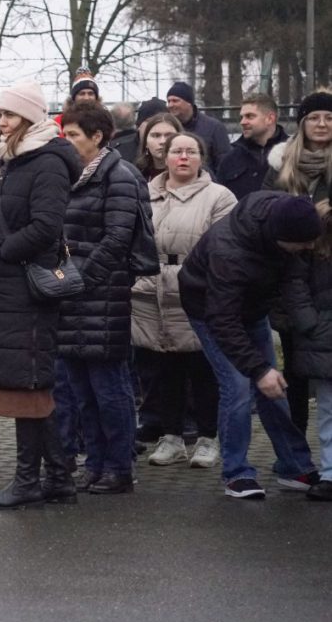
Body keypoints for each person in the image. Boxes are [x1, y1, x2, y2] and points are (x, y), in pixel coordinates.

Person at [0, 80, 81, 509]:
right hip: (8, 290)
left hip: (25, 289)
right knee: (23, 386)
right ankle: (56, 478)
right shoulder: (19, 159)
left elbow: (45, 227)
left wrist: (1, 255)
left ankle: (30, 480)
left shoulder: (46, 163)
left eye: (10, 115)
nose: (2, 122)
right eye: (0, 114)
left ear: (31, 118)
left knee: (30, 387)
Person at [178, 192, 321, 499]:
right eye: (302, 244)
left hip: (253, 307)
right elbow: (223, 320)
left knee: (275, 387)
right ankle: (236, 473)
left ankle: (294, 466)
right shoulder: (228, 252)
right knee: (238, 387)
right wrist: (258, 368)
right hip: (210, 311)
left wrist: (309, 328)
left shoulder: (285, 219)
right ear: (279, 239)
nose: (309, 248)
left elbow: (293, 276)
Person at [55, 101, 147, 495]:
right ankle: (94, 465)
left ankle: (119, 467)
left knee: (110, 389)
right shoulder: (69, 176)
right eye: (65, 134)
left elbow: (117, 239)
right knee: (81, 391)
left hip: (102, 297)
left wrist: (78, 279)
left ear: (98, 136)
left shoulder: (120, 176)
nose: (67, 141)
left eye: (74, 135)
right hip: (71, 298)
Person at [132, 132, 236, 469]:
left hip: (196, 288)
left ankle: (208, 437)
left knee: (202, 367)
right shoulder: (145, 193)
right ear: (165, 157)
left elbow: (223, 245)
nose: (184, 157)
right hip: (151, 290)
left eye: (191, 151)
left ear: (201, 158)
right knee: (164, 369)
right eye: (177, 151)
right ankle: (171, 436)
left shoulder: (219, 197)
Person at [264, 90, 332, 433]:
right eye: (314, 118)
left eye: (329, 118)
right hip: (288, 278)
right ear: (302, 124)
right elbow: (262, 213)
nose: (322, 124)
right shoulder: (279, 166)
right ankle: (295, 452)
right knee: (293, 367)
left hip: (327, 279)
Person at [283, 200, 332, 501]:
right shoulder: (317, 225)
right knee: (328, 408)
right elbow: (294, 281)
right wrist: (310, 324)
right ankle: (329, 472)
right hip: (324, 335)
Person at [219, 94, 287, 201]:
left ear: (270, 118)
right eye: (242, 117)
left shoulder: (292, 153)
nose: (243, 122)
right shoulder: (230, 159)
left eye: (250, 116)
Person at [165, 82, 230, 174]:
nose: (170, 105)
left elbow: (224, 163)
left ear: (189, 103)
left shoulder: (214, 128)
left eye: (175, 101)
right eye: (169, 101)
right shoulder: (167, 128)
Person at [135, 113, 183, 181]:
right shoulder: (136, 176)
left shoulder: (192, 174)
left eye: (169, 135)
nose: (162, 141)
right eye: (156, 135)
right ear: (146, 143)